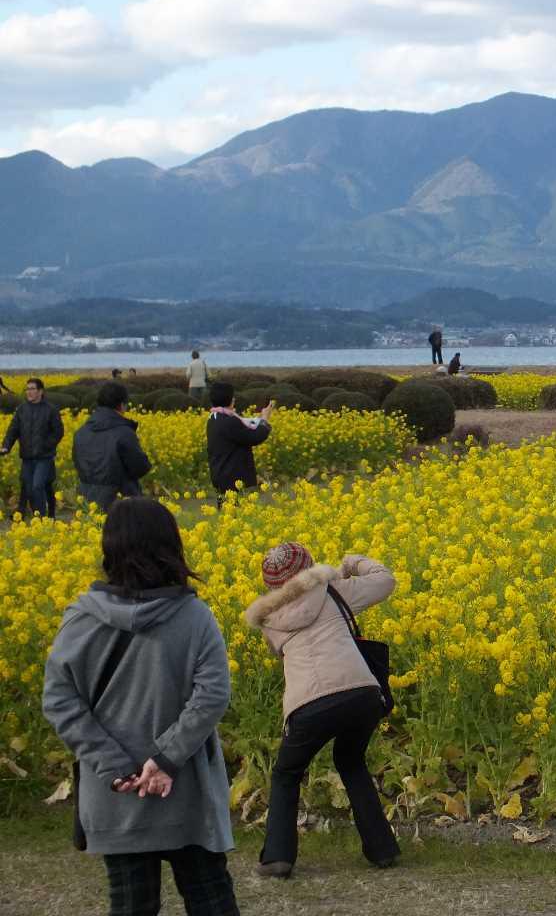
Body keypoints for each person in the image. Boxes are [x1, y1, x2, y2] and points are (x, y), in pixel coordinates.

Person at [42, 497, 239, 916]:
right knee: (211, 900)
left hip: (116, 796)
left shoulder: (80, 618)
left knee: (131, 906)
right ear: (171, 544)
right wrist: (165, 760)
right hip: (188, 792)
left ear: (109, 549)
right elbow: (212, 696)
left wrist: (116, 767)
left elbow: (60, 701)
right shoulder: (193, 616)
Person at [245, 543, 400, 877]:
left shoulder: (269, 618)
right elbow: (385, 580)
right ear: (309, 566)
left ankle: (277, 858)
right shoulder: (335, 592)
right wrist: (351, 563)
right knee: (351, 761)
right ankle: (382, 850)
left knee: (287, 774)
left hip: (309, 705)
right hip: (361, 694)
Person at [73, 383, 152, 511]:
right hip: (120, 501)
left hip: (87, 500)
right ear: (122, 405)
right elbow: (140, 467)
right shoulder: (124, 432)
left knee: (95, 530)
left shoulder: (81, 432)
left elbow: (77, 463)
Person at [1, 378, 64, 519]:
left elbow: (58, 432)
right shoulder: (22, 409)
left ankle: (41, 519)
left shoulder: (51, 409)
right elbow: (13, 430)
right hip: (27, 458)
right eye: (27, 389)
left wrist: (46, 446)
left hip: (44, 457)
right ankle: (49, 515)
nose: (29, 392)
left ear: (40, 391)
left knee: (37, 486)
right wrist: (6, 446)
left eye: (32, 389)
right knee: (33, 488)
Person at [207, 382, 275, 502]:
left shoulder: (214, 418)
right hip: (232, 478)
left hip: (221, 475)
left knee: (227, 513)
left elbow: (244, 427)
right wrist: (265, 419)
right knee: (234, 513)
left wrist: (260, 418)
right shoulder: (229, 421)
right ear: (230, 400)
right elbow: (255, 437)